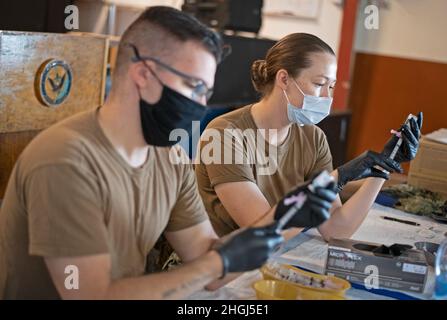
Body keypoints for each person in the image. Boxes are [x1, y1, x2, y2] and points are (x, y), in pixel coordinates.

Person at [0, 8, 336, 300]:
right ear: (143, 74)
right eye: (194, 87)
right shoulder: (66, 161)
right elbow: (91, 295)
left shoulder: (170, 159)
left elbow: (208, 265)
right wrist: (218, 262)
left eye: (206, 91)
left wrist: (281, 220)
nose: (201, 105)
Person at [195, 32, 423, 239]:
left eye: (331, 87)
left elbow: (336, 229)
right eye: (319, 83)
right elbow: (262, 234)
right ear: (283, 79)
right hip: (215, 266)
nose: (326, 96)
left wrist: (381, 169)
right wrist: (335, 180)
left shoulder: (313, 138)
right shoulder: (225, 133)